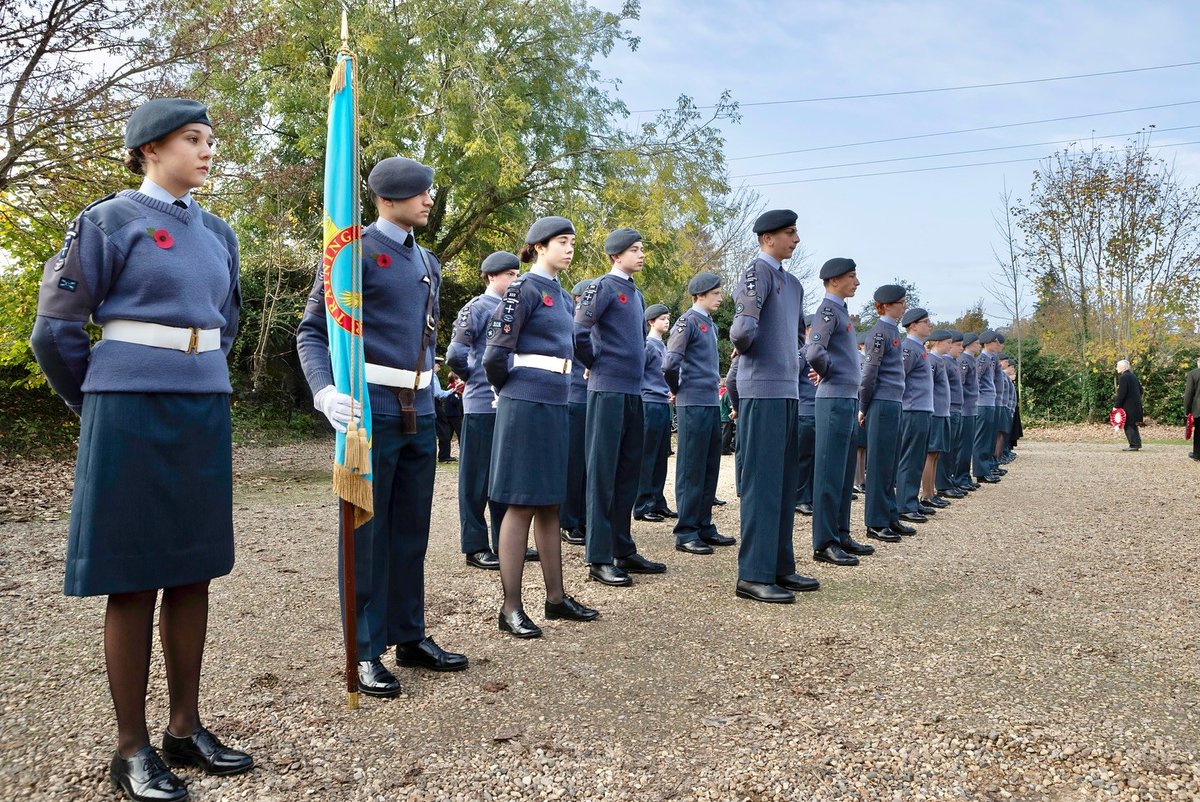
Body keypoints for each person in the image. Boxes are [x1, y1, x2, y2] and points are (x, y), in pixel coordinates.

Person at [30, 98, 253, 802]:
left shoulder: (219, 233)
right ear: (149, 148)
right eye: (194, 139)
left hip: (200, 409)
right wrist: (97, 405)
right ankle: (130, 749)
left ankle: (184, 728)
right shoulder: (108, 221)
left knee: (194, 570)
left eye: (211, 140)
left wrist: (199, 378)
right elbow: (55, 332)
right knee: (134, 579)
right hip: (127, 410)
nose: (208, 151)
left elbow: (229, 324)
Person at [298, 156, 468, 698]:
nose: (428, 200)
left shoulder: (429, 260)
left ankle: (409, 634)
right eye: (419, 192)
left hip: (418, 409)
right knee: (366, 534)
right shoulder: (353, 254)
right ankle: (365, 648)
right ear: (388, 197)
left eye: (429, 190)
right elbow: (313, 333)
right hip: (370, 411)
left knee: (411, 531)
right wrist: (326, 392)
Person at [483, 216, 598, 637]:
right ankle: (510, 606)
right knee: (520, 503)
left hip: (555, 400)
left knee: (550, 502)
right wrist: (509, 392)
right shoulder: (523, 289)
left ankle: (555, 598)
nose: (569, 249)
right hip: (525, 401)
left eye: (572, 242)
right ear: (538, 247)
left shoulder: (564, 296)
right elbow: (495, 354)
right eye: (561, 242)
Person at [729, 210, 818, 603]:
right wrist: (745, 345)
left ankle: (781, 565)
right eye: (790, 233)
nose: (796, 239)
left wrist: (795, 363)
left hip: (787, 391)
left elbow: (800, 336)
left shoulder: (793, 283)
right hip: (762, 390)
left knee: (782, 485)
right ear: (768, 238)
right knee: (763, 484)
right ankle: (753, 573)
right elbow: (743, 327)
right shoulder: (757, 272)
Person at [575, 227, 666, 586]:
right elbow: (578, 332)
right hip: (607, 389)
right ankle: (598, 557)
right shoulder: (602, 287)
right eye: (635, 250)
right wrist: (595, 361)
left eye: (642, 248)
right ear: (616, 256)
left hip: (633, 392)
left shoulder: (636, 293)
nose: (641, 254)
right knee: (602, 473)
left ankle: (622, 548)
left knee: (628, 472)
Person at [447, 251, 521, 570]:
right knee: (475, 479)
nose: (516, 280)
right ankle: (475, 546)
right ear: (492, 277)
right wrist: (472, 377)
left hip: (508, 404)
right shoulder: (476, 309)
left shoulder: (514, 310)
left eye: (518, 275)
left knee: (503, 478)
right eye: (510, 275)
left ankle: (506, 543)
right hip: (481, 405)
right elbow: (455, 355)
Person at [806, 257, 876, 566]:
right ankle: (824, 542)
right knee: (828, 471)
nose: (857, 282)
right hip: (833, 398)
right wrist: (830, 371)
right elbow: (814, 350)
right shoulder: (827, 310)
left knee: (845, 471)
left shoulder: (841, 311)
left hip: (846, 398)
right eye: (852, 277)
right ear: (835, 280)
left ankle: (841, 532)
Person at [663, 272, 737, 554]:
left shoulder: (709, 324)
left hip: (707, 402)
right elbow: (670, 364)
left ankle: (704, 524)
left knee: (709, 465)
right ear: (700, 295)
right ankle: (686, 530)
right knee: (691, 468)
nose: (720, 297)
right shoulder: (687, 322)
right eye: (715, 293)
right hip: (692, 401)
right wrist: (678, 389)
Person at [857, 284, 910, 541]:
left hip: (894, 401)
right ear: (887, 305)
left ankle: (890, 515)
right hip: (881, 402)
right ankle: (876, 522)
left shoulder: (892, 331)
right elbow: (869, 374)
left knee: (890, 462)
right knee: (878, 463)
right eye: (901, 302)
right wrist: (863, 405)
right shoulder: (879, 333)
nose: (904, 306)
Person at [559, 279, 593, 546]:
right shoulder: (574, 324)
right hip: (576, 396)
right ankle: (568, 520)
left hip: (591, 397)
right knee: (573, 464)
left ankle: (582, 516)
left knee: (587, 464)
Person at [634, 302, 675, 523]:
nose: (666, 321)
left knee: (661, 455)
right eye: (662, 318)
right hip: (648, 402)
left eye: (668, 317)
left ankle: (658, 501)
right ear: (651, 322)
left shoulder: (663, 345)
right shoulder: (648, 345)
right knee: (647, 455)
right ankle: (643, 504)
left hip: (663, 403)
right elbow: (639, 373)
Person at [896, 308, 935, 524]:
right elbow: (899, 377)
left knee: (918, 457)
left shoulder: (919, 348)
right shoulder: (909, 349)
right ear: (913, 326)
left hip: (922, 408)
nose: (930, 325)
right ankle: (904, 504)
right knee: (910, 457)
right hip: (911, 409)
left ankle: (911, 499)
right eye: (926, 321)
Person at [922, 329, 953, 509]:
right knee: (931, 453)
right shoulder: (931, 360)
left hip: (942, 412)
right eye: (948, 342)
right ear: (937, 342)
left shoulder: (939, 360)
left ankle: (931, 492)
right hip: (935, 412)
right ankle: (926, 493)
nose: (950, 345)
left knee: (937, 453)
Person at [936, 331, 970, 497]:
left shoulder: (952, 362)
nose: (960, 348)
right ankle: (943, 484)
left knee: (954, 447)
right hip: (949, 408)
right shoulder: (945, 362)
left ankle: (950, 480)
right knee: (946, 450)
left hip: (956, 407)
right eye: (957, 345)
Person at [795, 315, 818, 517]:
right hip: (805, 410)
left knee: (814, 457)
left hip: (817, 409)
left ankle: (810, 495)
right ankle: (800, 497)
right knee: (804, 457)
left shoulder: (818, 351)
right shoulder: (803, 352)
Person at [973, 330, 1002, 483]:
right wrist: (977, 399)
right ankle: (981, 471)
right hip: (983, 402)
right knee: (982, 438)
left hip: (990, 401)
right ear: (986, 344)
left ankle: (986, 468)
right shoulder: (982, 360)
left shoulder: (991, 359)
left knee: (988, 438)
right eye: (994, 342)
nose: (997, 345)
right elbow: (975, 380)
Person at [956, 333, 983, 491]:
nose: (979, 346)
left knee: (968, 445)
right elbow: (961, 384)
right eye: (977, 343)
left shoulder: (970, 360)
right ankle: (960, 477)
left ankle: (965, 475)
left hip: (971, 407)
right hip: (965, 408)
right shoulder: (964, 361)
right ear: (969, 344)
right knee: (963, 446)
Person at [1115, 359, 1144, 451]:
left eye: (1118, 366)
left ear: (1123, 367)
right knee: (1133, 425)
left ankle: (1134, 445)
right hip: (1136, 404)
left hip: (1128, 405)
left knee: (1128, 425)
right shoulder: (1133, 376)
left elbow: (1122, 394)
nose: (1116, 368)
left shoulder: (1124, 377)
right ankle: (1136, 443)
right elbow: (1141, 390)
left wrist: (1116, 406)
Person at [1183, 357, 1200, 460]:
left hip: (1198, 408)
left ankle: (1197, 454)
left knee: (1198, 432)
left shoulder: (1193, 374)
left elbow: (1189, 393)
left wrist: (1187, 409)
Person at [719, 378, 736, 455]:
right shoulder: (727, 393)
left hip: (720, 414)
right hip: (726, 416)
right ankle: (724, 449)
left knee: (722, 433)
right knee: (726, 433)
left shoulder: (719, 392)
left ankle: (722, 447)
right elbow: (730, 405)